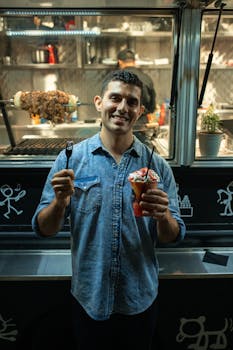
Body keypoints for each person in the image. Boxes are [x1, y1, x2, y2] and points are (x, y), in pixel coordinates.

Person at [32, 70, 185, 350]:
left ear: (139, 111)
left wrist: (163, 215)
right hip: (89, 299)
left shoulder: (157, 166)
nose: (122, 108)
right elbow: (45, 229)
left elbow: (171, 236)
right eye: (115, 98)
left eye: (132, 102)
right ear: (99, 102)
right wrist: (58, 203)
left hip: (139, 301)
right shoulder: (71, 160)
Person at [117, 48, 156, 143]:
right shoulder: (146, 78)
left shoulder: (115, 78)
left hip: (120, 125)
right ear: (134, 62)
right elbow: (152, 107)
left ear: (120, 62)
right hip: (141, 126)